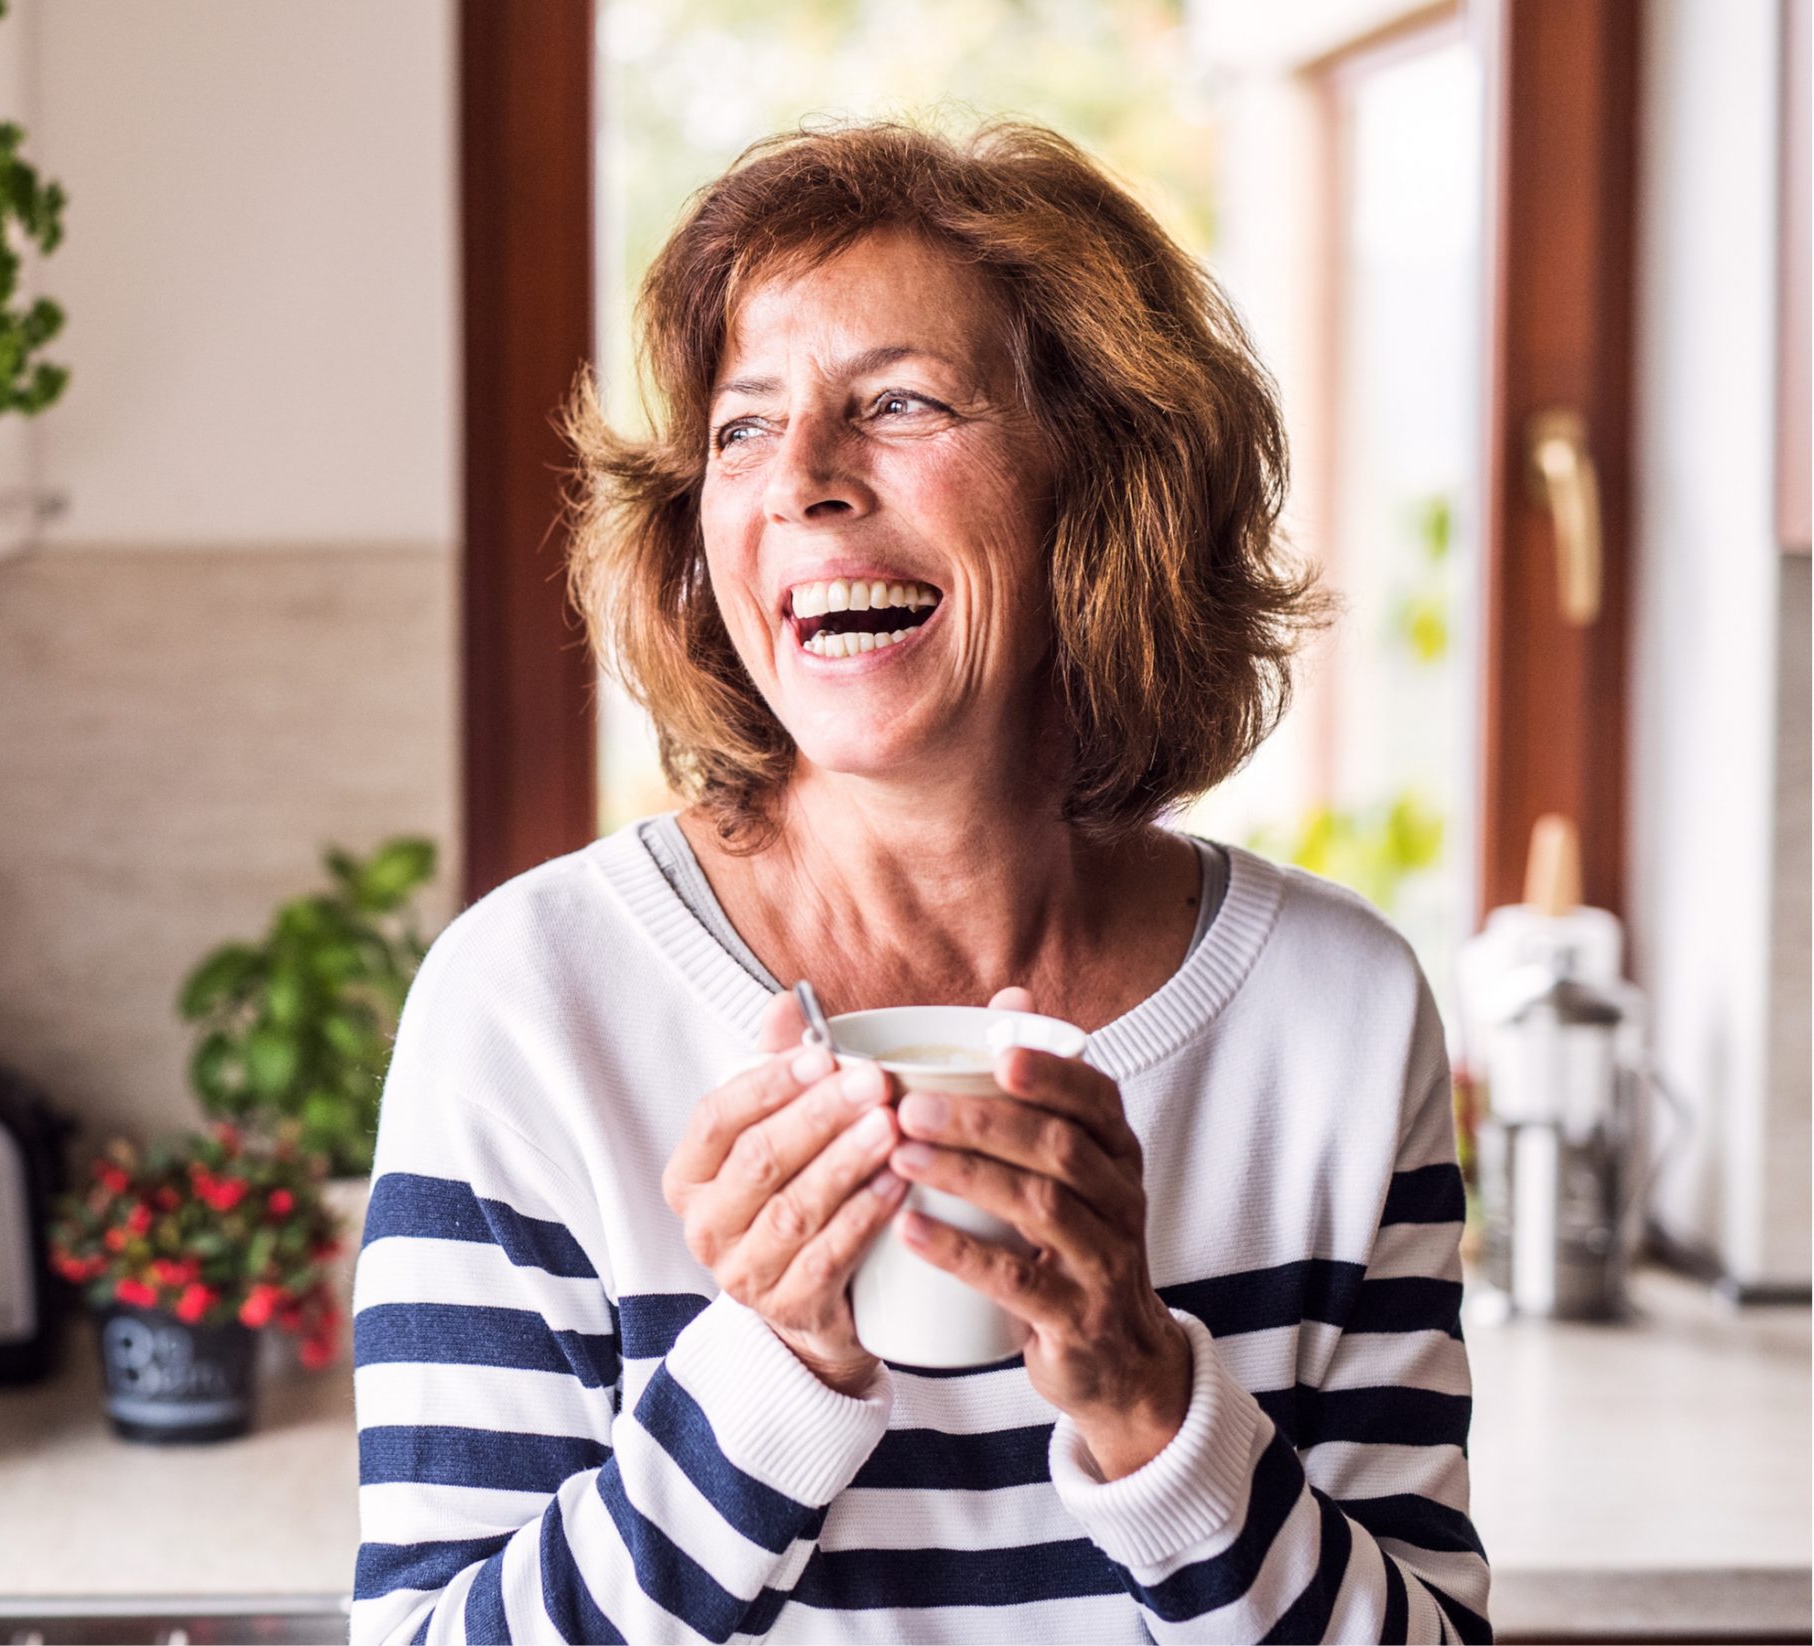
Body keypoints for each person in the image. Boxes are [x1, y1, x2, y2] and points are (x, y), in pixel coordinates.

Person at [350, 121, 1488, 1644]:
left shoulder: (1334, 1017)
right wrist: (769, 1371)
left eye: (897, 402)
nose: (803, 480)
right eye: (744, 428)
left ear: (1099, 483)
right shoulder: (527, 1008)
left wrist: (1149, 1397)